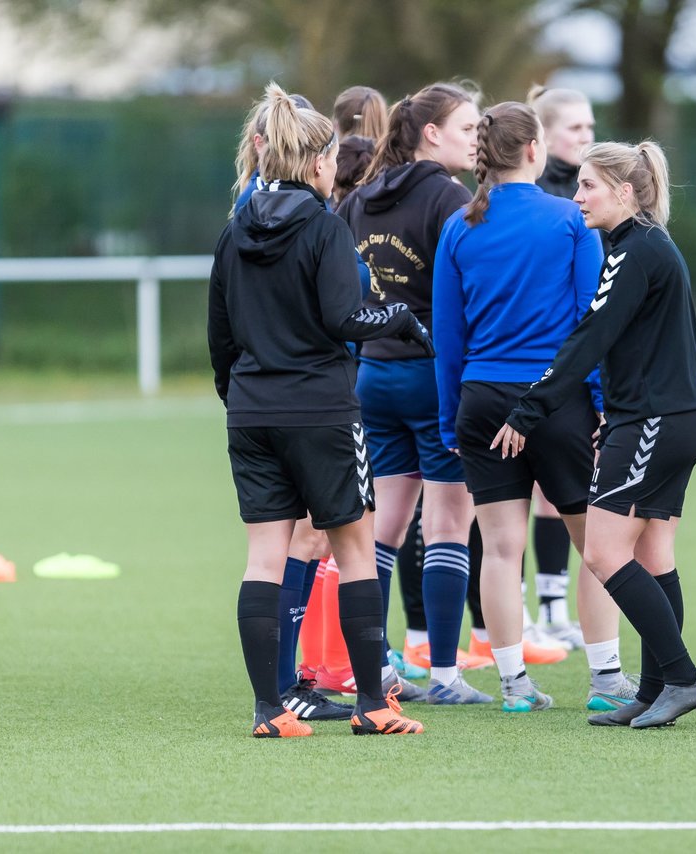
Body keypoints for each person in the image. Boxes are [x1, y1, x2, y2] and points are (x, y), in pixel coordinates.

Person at [208, 82, 431, 738]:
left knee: (264, 558)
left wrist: (241, 397)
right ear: (315, 164)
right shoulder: (326, 228)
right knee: (356, 548)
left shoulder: (234, 230)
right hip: (323, 411)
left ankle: (269, 710)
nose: (336, 169)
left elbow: (219, 337)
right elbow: (345, 317)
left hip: (251, 412)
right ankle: (372, 704)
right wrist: (401, 315)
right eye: (331, 160)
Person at [492, 140, 696, 729]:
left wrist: (527, 411)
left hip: (656, 422)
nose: (577, 195)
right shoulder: (640, 246)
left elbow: (588, 338)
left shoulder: (634, 252)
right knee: (652, 554)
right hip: (669, 418)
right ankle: (656, 689)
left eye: (589, 186)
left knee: (601, 553)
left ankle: (684, 678)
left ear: (625, 192)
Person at [433, 101, 636, 713]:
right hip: (556, 400)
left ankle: (514, 685)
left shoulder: (459, 226)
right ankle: (605, 681)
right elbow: (590, 325)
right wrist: (600, 407)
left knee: (499, 548)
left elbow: (449, 338)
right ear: (531, 151)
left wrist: (450, 417)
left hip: (481, 398)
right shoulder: (568, 219)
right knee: (596, 545)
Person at [336, 82, 495, 705]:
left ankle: (371, 669)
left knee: (383, 530)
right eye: (466, 128)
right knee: (450, 525)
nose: (477, 138)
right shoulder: (453, 198)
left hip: (375, 377)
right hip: (433, 378)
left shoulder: (362, 197)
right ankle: (447, 677)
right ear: (432, 133)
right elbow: (467, 295)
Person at [521, 84, 600, 649]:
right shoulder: (548, 202)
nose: (587, 138)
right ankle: (520, 612)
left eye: (591, 128)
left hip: (565, 371)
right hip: (534, 370)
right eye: (576, 128)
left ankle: (552, 606)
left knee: (559, 495)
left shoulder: (586, 193)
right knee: (509, 499)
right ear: (541, 138)